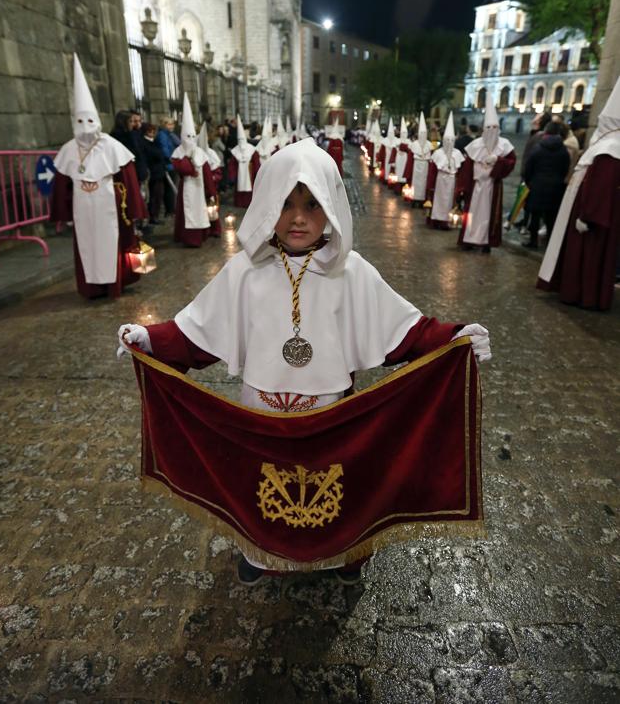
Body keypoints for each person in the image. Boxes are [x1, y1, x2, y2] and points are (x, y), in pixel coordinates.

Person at [117, 139, 492, 584]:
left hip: (330, 411)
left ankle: (344, 555)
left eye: (312, 205)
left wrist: (453, 338)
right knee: (256, 485)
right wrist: (152, 339)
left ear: (331, 207)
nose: (298, 217)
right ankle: (260, 552)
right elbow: (197, 333)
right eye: (287, 203)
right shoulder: (245, 271)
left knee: (340, 487)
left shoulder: (352, 272)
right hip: (261, 413)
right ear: (268, 204)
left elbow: (404, 333)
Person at [51, 54, 147, 299]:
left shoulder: (111, 146)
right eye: (80, 121)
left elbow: (129, 181)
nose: (85, 126)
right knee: (87, 245)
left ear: (97, 120)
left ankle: (114, 284)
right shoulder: (69, 149)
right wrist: (62, 213)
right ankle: (91, 287)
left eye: (89, 120)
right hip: (82, 207)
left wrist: (134, 210)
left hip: (108, 204)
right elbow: (61, 185)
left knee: (109, 243)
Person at [537, 75, 620, 310]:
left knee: (590, 257)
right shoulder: (606, 147)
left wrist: (587, 215)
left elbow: (600, 187)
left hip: (591, 220)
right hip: (589, 214)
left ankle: (583, 294)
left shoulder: (609, 149)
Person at [458, 99, 516, 252]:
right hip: (476, 186)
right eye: (488, 127)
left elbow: (511, 162)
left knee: (489, 215)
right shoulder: (475, 145)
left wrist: (498, 160)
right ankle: (469, 239)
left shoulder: (504, 145)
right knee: (472, 214)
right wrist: (463, 187)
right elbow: (467, 169)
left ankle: (485, 242)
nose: (491, 130)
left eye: (494, 128)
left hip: (492, 186)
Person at [170, 94, 217, 247]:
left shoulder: (200, 152)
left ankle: (202, 234)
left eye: (192, 136)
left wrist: (211, 191)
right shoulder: (178, 152)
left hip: (200, 186)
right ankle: (188, 237)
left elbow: (207, 172)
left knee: (200, 209)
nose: (190, 139)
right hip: (186, 186)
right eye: (187, 136)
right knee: (187, 210)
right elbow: (180, 167)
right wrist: (188, 163)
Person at [522, 121, 570, 249]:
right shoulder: (563, 150)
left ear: (546, 132)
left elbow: (528, 168)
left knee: (535, 216)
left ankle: (533, 242)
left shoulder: (538, 148)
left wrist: (529, 182)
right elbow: (565, 168)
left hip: (537, 186)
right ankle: (550, 244)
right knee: (551, 217)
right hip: (555, 187)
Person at [425, 113, 465, 230]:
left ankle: (446, 221)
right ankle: (437, 220)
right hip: (440, 180)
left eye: (451, 140)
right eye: (447, 140)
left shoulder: (457, 154)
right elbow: (432, 171)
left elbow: (460, 171)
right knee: (439, 200)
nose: (449, 142)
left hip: (452, 181)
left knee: (449, 201)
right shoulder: (438, 153)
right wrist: (430, 185)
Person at [228, 115, 261, 208]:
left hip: (249, 172)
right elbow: (232, 164)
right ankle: (240, 203)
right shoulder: (235, 150)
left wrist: (256, 173)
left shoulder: (251, 149)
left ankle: (249, 203)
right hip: (240, 173)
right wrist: (232, 176)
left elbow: (256, 162)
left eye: (242, 139)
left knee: (250, 187)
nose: (241, 142)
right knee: (240, 186)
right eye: (239, 140)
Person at [142, 123, 167, 224]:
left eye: (153, 131)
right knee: (153, 196)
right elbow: (154, 155)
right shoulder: (145, 143)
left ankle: (155, 215)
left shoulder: (154, 142)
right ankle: (152, 216)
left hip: (159, 172)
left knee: (159, 195)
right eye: (150, 131)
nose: (152, 133)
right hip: (153, 173)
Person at [407, 112, 433, 206]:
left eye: (424, 133)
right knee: (415, 183)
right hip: (416, 166)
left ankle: (422, 200)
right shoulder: (414, 145)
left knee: (423, 183)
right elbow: (410, 159)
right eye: (421, 133)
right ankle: (414, 199)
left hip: (425, 166)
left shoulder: (429, 145)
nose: (422, 135)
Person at [156, 118, 180, 216]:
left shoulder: (170, 135)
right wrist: (171, 159)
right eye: (169, 124)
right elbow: (164, 148)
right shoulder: (162, 135)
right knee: (169, 188)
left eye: (172, 124)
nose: (171, 126)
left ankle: (171, 208)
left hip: (172, 164)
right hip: (168, 164)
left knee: (171, 187)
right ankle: (170, 210)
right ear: (164, 125)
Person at [393, 117, 412, 194]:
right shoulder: (397, 140)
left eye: (405, 133)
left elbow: (410, 149)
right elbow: (395, 149)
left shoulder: (409, 141)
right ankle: (397, 188)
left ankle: (404, 188)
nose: (404, 134)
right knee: (398, 171)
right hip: (399, 158)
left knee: (404, 171)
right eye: (402, 133)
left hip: (405, 158)